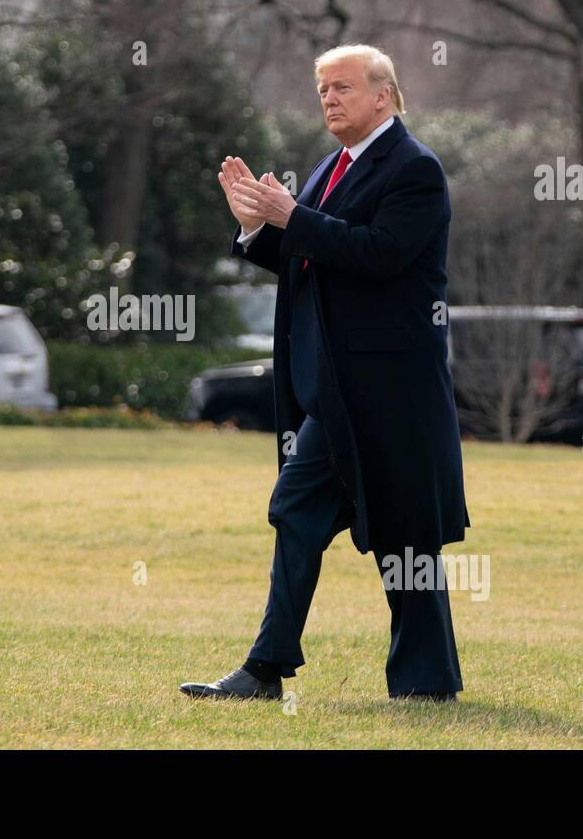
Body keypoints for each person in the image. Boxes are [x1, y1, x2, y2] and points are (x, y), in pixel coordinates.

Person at [179, 44, 469, 703]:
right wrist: (258, 229)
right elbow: (310, 258)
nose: (329, 99)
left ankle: (426, 685)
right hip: (334, 398)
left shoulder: (415, 170)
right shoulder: (327, 169)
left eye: (341, 87)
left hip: (391, 397)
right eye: (322, 90)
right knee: (297, 509)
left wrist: (293, 218)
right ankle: (265, 668)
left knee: (406, 541)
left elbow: (382, 255)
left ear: (382, 96)